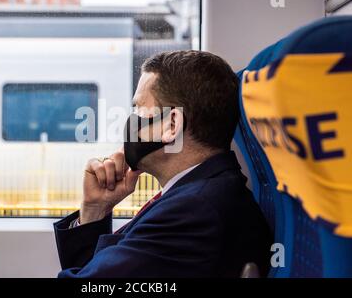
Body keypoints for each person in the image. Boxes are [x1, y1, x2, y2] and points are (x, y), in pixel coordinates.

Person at [54, 50, 272, 278]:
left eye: (138, 108)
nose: (131, 121)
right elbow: (93, 274)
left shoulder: (193, 211)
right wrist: (94, 210)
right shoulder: (198, 194)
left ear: (171, 125)